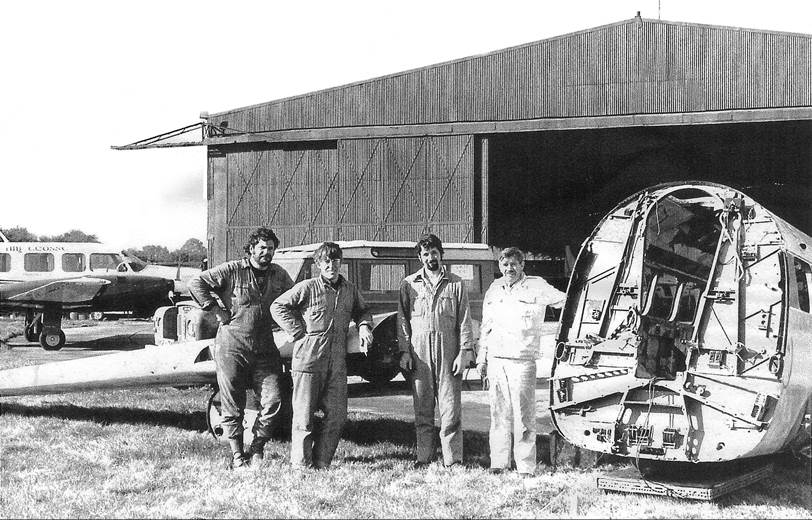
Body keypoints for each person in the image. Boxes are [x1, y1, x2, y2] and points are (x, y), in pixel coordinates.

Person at [188, 227, 293, 469]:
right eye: (262, 248)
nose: (267, 253)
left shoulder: (279, 275)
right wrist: (216, 311)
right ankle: (237, 455)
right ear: (251, 249)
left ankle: (257, 447)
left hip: (265, 348)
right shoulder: (232, 270)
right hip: (231, 347)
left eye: (271, 248)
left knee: (274, 400)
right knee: (232, 404)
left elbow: (295, 298)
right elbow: (197, 282)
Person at [271, 242, 374, 469]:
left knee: (337, 415)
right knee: (304, 418)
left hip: (336, 363)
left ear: (341, 263)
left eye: (335, 261)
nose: (331, 265)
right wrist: (297, 331)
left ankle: (321, 462)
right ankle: (301, 465)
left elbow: (363, 310)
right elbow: (278, 306)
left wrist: (365, 326)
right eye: (326, 261)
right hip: (308, 361)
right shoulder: (307, 287)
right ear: (318, 265)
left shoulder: (349, 289)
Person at [476, 247, 564, 476]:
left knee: (524, 416)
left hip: (522, 361)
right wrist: (481, 358)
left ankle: (525, 466)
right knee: (498, 414)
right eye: (505, 265)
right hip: (496, 360)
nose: (509, 269)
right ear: (499, 267)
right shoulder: (494, 290)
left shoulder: (537, 286)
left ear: (523, 265)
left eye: (514, 264)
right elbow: (486, 326)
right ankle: (499, 462)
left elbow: (566, 301)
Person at [398, 233, 475, 467]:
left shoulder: (456, 283)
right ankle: (424, 457)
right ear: (419, 257)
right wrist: (405, 351)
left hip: (449, 353)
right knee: (422, 408)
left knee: (450, 410)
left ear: (441, 254)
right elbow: (402, 320)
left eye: (434, 253)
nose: (430, 257)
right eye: (425, 254)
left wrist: (465, 352)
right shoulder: (409, 284)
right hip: (420, 354)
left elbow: (464, 320)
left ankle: (453, 460)